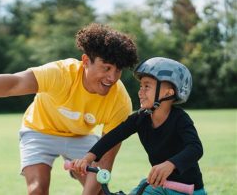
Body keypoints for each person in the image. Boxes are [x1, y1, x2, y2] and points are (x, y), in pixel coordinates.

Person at [0, 23, 138, 195]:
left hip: (81, 137)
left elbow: (106, 160)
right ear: (85, 61)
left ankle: (80, 176)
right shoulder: (61, 74)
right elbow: (13, 83)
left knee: (96, 189)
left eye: (117, 71)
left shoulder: (120, 101)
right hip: (39, 130)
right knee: (37, 190)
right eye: (106, 68)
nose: (112, 78)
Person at [70, 57, 207, 195]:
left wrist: (170, 164)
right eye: (141, 86)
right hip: (157, 186)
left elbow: (195, 148)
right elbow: (112, 137)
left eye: (147, 86)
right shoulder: (141, 118)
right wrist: (87, 158)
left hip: (187, 189)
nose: (140, 92)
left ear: (168, 92)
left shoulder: (180, 119)